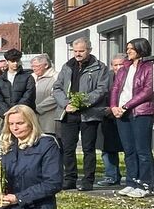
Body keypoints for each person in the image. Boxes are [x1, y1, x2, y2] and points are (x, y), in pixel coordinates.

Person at [52, 37, 112, 191]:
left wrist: (80, 102)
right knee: (68, 148)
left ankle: (88, 180)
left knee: (88, 148)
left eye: (81, 51)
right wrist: (66, 104)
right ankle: (70, 179)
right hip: (68, 113)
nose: (78, 54)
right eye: (75, 51)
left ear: (89, 50)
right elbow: (57, 88)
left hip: (89, 113)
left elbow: (102, 89)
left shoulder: (100, 67)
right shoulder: (67, 66)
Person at [110, 38, 154, 198]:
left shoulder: (150, 67)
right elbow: (115, 88)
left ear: (141, 49)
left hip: (141, 112)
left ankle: (146, 184)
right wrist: (114, 106)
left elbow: (148, 91)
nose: (128, 51)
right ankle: (131, 182)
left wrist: (126, 106)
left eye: (131, 48)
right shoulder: (124, 69)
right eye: (127, 48)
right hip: (122, 113)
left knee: (142, 150)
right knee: (129, 150)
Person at [98, 54, 126, 188]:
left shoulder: (130, 74)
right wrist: (107, 109)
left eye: (121, 64)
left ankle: (135, 176)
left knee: (129, 148)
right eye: (115, 65)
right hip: (108, 116)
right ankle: (111, 176)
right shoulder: (106, 76)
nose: (118, 67)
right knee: (107, 148)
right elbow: (101, 92)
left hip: (126, 114)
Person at [31, 55, 59, 136]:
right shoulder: (32, 77)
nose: (34, 68)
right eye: (32, 66)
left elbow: (56, 96)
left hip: (49, 122)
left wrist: (38, 108)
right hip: (32, 121)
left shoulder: (56, 77)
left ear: (46, 65)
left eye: (36, 66)